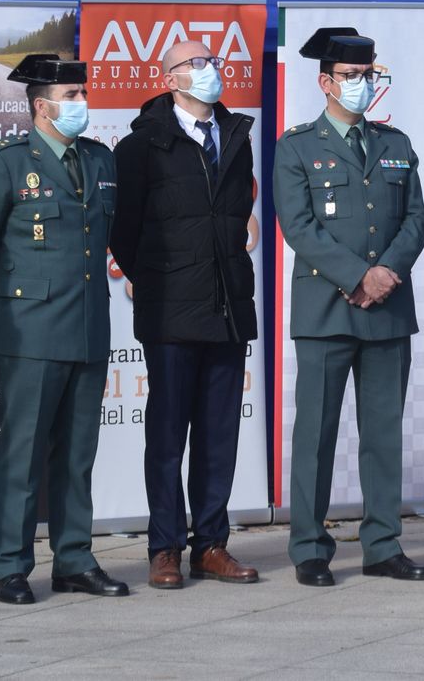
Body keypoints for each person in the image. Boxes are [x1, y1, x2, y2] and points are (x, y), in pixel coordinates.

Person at [0, 54, 128, 603]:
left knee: (78, 454)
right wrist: (5, 300)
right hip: (30, 331)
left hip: (87, 327)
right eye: (72, 95)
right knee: (23, 452)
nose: (82, 103)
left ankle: (74, 558)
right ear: (41, 105)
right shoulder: (7, 163)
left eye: (83, 93)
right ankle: (10, 564)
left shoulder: (100, 160)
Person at [274, 27, 424, 586]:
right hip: (325, 308)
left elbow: (417, 219)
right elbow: (298, 225)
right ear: (325, 82)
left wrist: (385, 273)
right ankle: (310, 547)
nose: (361, 86)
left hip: (387, 308)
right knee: (315, 435)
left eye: (369, 77)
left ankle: (383, 545)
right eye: (351, 77)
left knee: (383, 433)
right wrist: (357, 275)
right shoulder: (296, 146)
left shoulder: (397, 145)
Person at [111, 40, 259, 590]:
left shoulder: (236, 136)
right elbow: (123, 231)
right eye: (195, 64)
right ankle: (165, 547)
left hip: (227, 306)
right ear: (169, 77)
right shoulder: (142, 145)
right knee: (168, 433)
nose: (209, 71)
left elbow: (238, 215)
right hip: (171, 310)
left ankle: (212, 545)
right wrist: (158, 281)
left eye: (213, 61)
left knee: (220, 434)